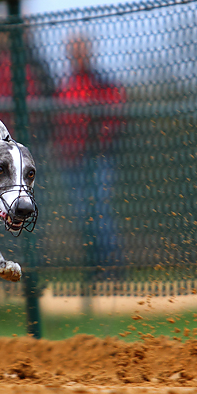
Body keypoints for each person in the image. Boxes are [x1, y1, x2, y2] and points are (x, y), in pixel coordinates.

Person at [55, 34, 127, 282]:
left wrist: (98, 131)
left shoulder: (102, 82)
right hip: (72, 158)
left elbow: (116, 112)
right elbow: (59, 121)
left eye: (81, 50)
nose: (77, 55)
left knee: (99, 211)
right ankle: (94, 266)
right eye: (73, 50)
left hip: (97, 156)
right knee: (81, 213)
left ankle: (112, 266)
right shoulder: (66, 84)